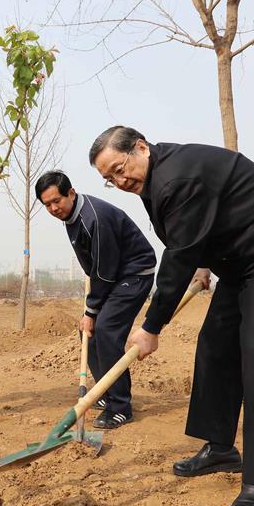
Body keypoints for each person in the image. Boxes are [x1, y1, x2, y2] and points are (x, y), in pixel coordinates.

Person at [89, 125, 254, 506]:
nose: (119, 180)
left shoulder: (177, 177)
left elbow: (176, 255)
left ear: (140, 147)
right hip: (240, 259)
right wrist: (201, 262)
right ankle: (220, 448)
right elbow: (194, 232)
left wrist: (151, 326)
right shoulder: (156, 179)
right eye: (109, 179)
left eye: (119, 168)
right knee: (215, 344)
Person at [35, 170, 156, 428]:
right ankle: (104, 390)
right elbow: (96, 267)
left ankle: (120, 406)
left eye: (57, 200)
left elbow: (105, 270)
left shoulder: (94, 218)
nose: (53, 208)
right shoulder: (71, 216)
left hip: (134, 274)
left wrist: (91, 311)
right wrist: (90, 311)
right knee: (87, 333)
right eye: (47, 205)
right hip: (113, 275)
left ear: (71, 192)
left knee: (105, 330)